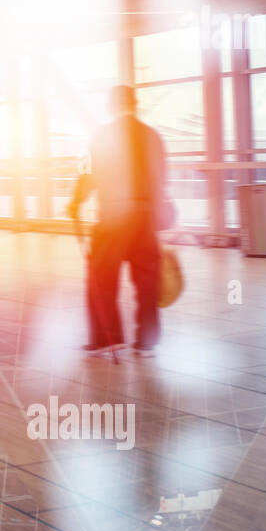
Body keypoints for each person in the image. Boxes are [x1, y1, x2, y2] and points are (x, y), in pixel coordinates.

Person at [66, 85, 171, 356]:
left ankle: (107, 338)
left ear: (111, 106)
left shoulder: (102, 135)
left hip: (113, 216)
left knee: (101, 276)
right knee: (147, 280)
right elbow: (161, 177)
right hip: (145, 217)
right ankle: (146, 342)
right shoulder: (152, 136)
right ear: (135, 104)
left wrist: (76, 201)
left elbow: (87, 172)